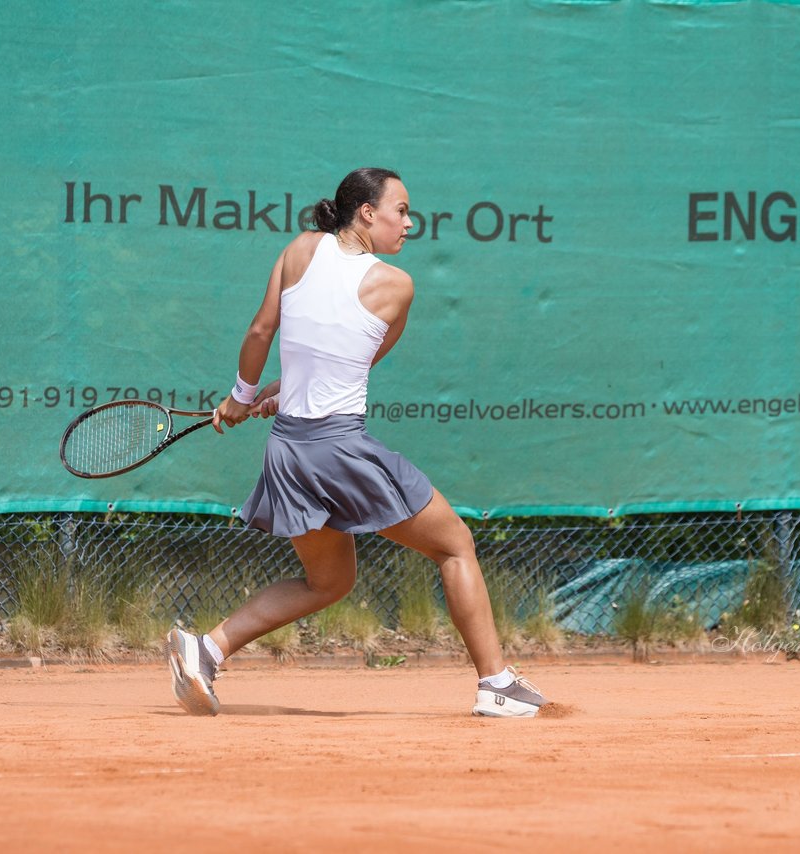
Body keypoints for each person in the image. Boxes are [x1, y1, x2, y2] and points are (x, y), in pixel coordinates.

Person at [165, 167, 546, 718]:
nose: (409, 223)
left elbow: (262, 333)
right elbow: (357, 360)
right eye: (401, 210)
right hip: (338, 449)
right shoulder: (396, 285)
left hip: (289, 450)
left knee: (330, 580)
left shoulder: (300, 249)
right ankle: (496, 684)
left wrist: (246, 395)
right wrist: (260, 393)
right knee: (455, 544)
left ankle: (206, 649)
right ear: (367, 212)